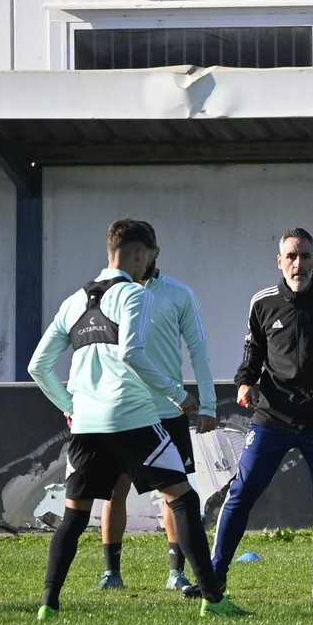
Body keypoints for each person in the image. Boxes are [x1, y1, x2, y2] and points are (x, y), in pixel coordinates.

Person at [27, 219, 246, 618]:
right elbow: (132, 354)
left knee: (75, 515)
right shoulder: (134, 295)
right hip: (131, 417)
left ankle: (48, 604)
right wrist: (179, 395)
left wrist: (71, 406)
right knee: (183, 497)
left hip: (87, 426)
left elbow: (37, 365)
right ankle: (214, 601)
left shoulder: (74, 300)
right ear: (140, 254)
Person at [212, 228, 313, 598]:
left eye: (304, 256)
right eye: (291, 256)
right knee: (241, 492)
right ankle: (215, 576)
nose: (297, 263)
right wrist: (244, 383)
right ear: (279, 261)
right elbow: (252, 353)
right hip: (273, 417)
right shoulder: (263, 302)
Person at [94, 222, 218, 593]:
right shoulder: (105, 294)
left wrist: (208, 403)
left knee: (174, 492)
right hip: (119, 412)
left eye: (150, 252)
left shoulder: (178, 295)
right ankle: (111, 573)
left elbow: (198, 349)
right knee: (115, 491)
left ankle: (176, 572)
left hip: (166, 412)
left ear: (154, 253)